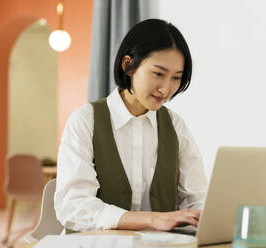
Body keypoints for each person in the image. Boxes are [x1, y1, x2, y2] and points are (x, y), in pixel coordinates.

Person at [54, 19, 207, 233]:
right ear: (128, 65)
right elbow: (74, 206)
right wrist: (150, 220)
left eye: (176, 78)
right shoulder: (85, 120)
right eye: (158, 74)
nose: (166, 89)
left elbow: (196, 199)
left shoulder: (175, 126)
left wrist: (206, 216)